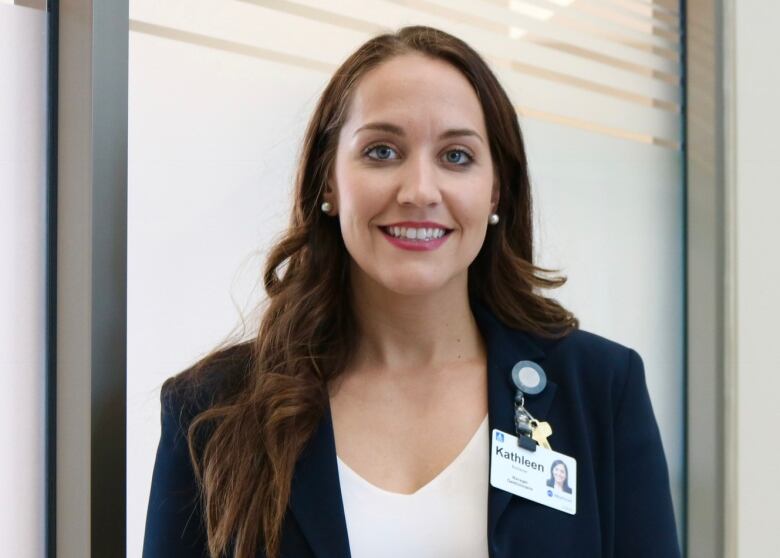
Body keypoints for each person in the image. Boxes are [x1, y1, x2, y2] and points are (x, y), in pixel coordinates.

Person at [142, 25, 681, 558]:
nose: (420, 191)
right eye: (381, 151)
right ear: (328, 179)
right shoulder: (211, 410)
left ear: (496, 190)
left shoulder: (601, 390)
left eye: (456, 157)